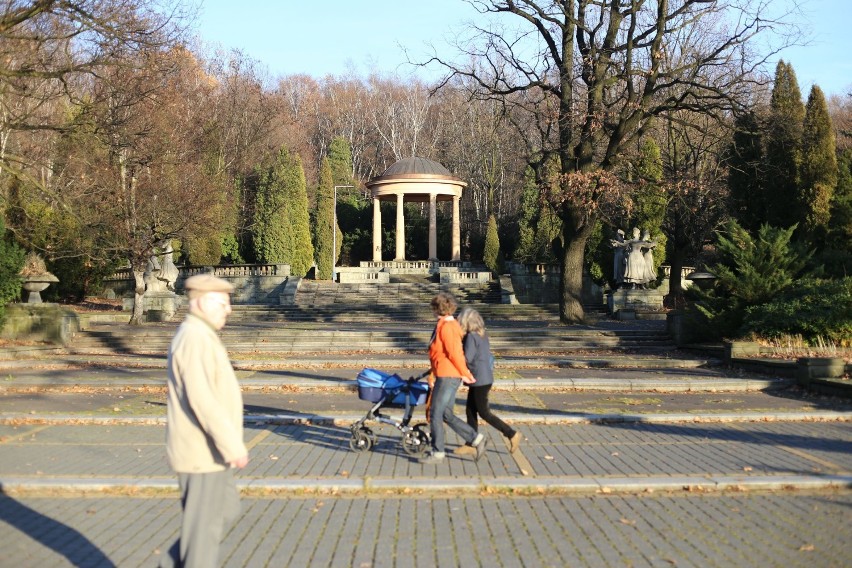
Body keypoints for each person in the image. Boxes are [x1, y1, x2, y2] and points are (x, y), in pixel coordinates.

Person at [159, 273, 248, 568]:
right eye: (222, 303)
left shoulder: (202, 335)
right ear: (200, 303)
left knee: (226, 509)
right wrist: (232, 445)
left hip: (212, 453)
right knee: (202, 543)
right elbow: (202, 400)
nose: (229, 309)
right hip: (201, 454)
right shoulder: (194, 337)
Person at [420, 292, 488, 464]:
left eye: (433, 307)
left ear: (438, 308)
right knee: (446, 414)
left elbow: (455, 354)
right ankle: (477, 439)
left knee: (436, 412)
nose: (432, 310)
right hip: (445, 373)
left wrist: (465, 373)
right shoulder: (444, 324)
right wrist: (433, 372)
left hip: (448, 375)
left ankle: (438, 453)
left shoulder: (448, 327)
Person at [455, 307, 523, 455]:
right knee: (470, 411)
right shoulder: (482, 334)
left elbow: (468, 358)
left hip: (479, 379)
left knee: (484, 412)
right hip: (484, 377)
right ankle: (471, 443)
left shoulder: (471, 336)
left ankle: (511, 434)